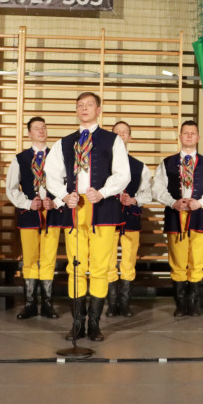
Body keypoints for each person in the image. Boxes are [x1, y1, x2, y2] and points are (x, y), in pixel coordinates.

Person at [45, 92, 130, 342]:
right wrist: (63, 195)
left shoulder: (112, 140)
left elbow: (122, 174)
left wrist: (102, 192)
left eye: (89, 105)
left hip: (102, 209)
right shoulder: (65, 142)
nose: (84, 108)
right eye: (80, 105)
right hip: (75, 209)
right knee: (76, 266)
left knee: (101, 267)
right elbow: (51, 174)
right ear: (76, 110)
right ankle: (76, 323)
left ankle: (94, 323)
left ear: (98, 110)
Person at [152, 120, 203, 317]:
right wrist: (172, 202)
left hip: (200, 216)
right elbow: (157, 189)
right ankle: (180, 302)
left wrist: (200, 202)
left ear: (199, 137)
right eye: (186, 133)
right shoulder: (167, 163)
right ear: (180, 137)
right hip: (176, 216)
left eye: (193, 133)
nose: (189, 136)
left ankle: (194, 303)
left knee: (197, 259)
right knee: (177, 259)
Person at [5, 117, 61, 321]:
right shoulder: (20, 158)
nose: (41, 131)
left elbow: (66, 185)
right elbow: (11, 188)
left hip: (52, 214)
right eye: (36, 128)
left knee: (48, 259)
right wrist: (29, 203)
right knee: (29, 259)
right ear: (29, 133)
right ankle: (29, 303)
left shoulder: (56, 157)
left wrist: (55, 202)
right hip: (29, 215)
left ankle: (47, 303)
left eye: (44, 127)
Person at [105, 121, 153, 319]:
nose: (121, 136)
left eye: (125, 133)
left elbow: (147, 194)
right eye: (117, 133)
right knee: (107, 261)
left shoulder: (139, 166)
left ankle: (124, 304)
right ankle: (111, 303)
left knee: (128, 261)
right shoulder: (103, 164)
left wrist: (134, 199)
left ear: (130, 138)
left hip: (130, 218)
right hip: (107, 218)